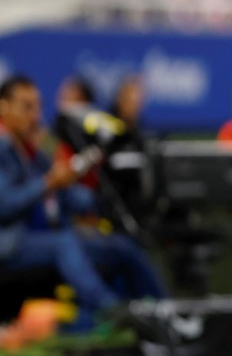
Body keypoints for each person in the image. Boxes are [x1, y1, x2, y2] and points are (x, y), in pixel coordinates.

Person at [0, 74, 166, 325]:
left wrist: (96, 189)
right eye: (27, 107)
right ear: (3, 107)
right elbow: (5, 204)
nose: (35, 115)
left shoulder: (33, 150)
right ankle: (111, 308)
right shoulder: (3, 147)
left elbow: (70, 197)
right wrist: (50, 182)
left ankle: (165, 312)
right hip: (11, 244)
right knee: (64, 243)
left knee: (120, 246)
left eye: (38, 106)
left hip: (46, 236)